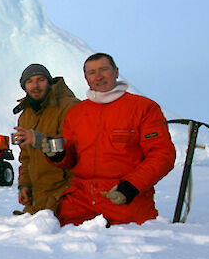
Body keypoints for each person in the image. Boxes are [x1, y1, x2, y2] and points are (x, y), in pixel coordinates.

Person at [46, 53, 175, 226]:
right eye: (92, 72)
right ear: (86, 78)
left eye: (104, 69)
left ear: (116, 72)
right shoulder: (76, 113)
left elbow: (162, 155)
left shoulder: (143, 108)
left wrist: (131, 186)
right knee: (61, 245)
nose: (98, 76)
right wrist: (58, 155)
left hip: (125, 200)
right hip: (79, 202)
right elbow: (71, 159)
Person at [12, 63, 79, 215]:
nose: (35, 85)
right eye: (30, 81)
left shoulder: (69, 107)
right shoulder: (25, 116)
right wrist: (24, 186)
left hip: (68, 197)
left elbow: (76, 146)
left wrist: (40, 139)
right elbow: (26, 158)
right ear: (24, 87)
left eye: (40, 79)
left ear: (49, 81)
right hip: (40, 200)